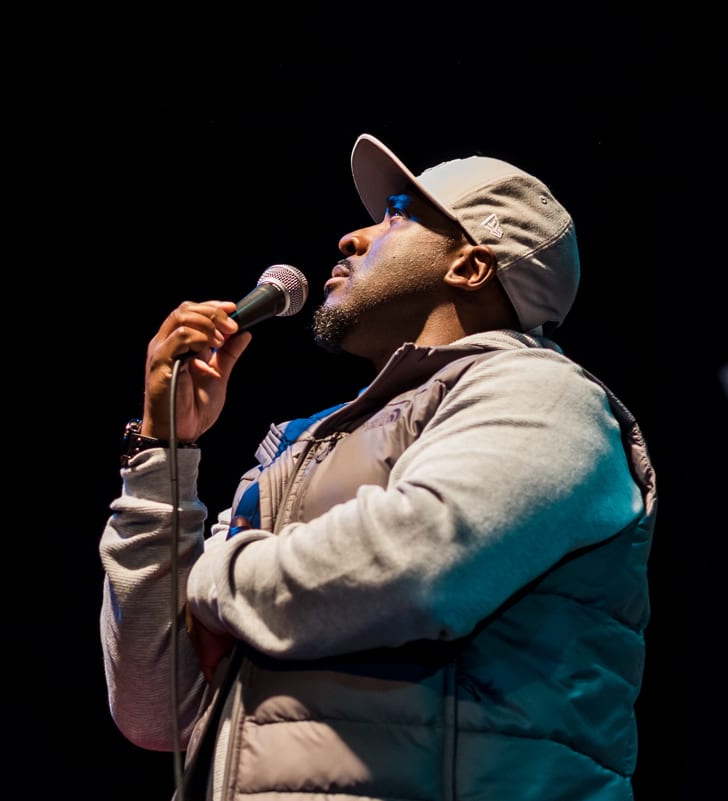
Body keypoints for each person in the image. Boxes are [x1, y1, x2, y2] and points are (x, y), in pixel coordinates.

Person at [98, 133, 656, 801]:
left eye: (397, 215)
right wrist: (164, 451)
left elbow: (418, 565)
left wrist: (212, 577)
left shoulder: (546, 395)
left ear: (470, 267)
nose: (350, 237)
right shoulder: (298, 448)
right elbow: (155, 708)